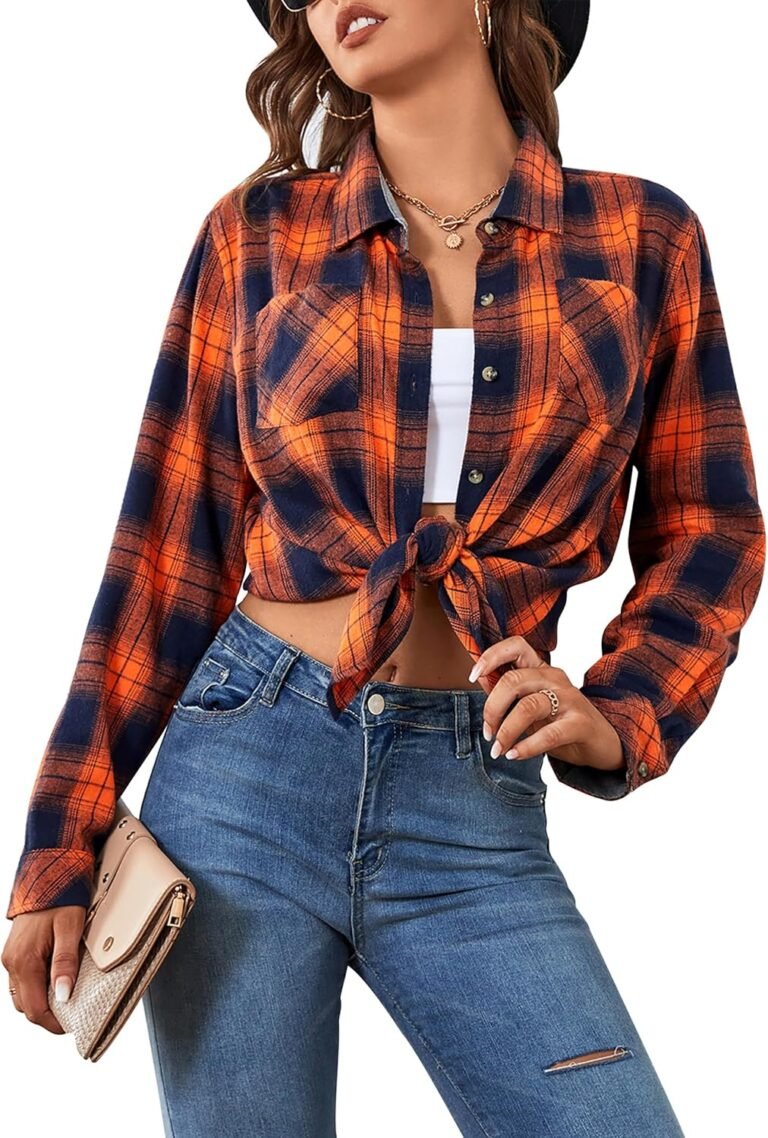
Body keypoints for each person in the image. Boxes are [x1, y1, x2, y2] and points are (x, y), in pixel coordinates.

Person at [3, 0, 764, 1133]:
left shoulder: (642, 239)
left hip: (474, 803)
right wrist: (58, 841)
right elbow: (163, 554)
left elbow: (711, 530)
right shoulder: (258, 237)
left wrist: (621, 714)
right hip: (242, 784)